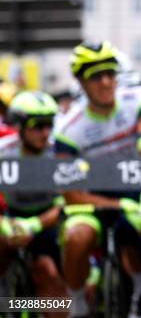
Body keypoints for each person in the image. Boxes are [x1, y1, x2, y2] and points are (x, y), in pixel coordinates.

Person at [53, 41, 141, 318]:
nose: (106, 81)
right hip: (93, 203)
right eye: (96, 76)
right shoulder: (67, 129)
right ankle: (78, 302)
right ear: (81, 81)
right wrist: (119, 205)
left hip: (140, 193)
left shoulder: (138, 100)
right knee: (76, 235)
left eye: (111, 73)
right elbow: (70, 194)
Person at [0, 91, 67, 305]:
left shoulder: (58, 152)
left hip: (48, 219)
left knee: (46, 270)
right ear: (19, 126)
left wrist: (36, 224)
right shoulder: (3, 151)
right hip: (10, 217)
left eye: (49, 124)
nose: (45, 132)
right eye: (38, 125)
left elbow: (70, 200)